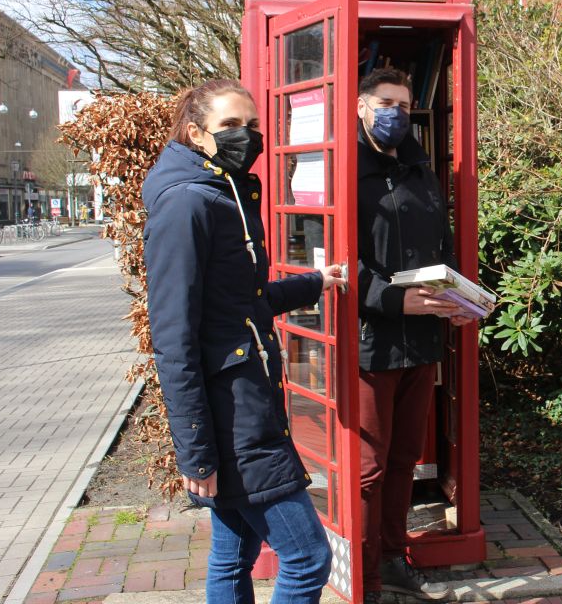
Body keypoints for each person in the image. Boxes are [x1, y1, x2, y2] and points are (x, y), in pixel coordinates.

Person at [143, 78, 346, 604]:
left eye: (253, 124)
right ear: (196, 133)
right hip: (232, 420)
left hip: (248, 401)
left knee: (233, 557)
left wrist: (315, 282)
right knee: (308, 558)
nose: (246, 135)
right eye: (230, 125)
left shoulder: (224, 192)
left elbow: (243, 302)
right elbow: (173, 340)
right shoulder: (187, 204)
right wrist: (195, 453)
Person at [356, 67, 475, 603]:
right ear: (361, 106)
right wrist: (389, 298)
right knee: (368, 468)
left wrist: (460, 299)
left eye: (404, 105)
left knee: (405, 458)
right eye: (386, 103)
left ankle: (391, 556)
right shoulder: (344, 170)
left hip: (422, 339)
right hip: (369, 341)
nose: (396, 114)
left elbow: (442, 246)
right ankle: (363, 579)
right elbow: (329, 256)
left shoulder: (420, 168)